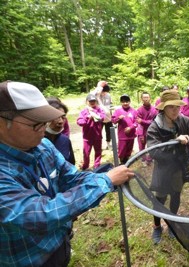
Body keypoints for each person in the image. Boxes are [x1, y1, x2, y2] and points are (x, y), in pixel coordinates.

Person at [0, 81, 134, 267]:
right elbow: (40, 215)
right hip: (27, 258)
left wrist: (107, 176)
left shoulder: (43, 146)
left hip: (59, 243)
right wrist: (105, 181)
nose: (44, 128)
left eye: (44, 120)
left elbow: (71, 177)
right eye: (35, 123)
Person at [147, 90, 189, 244]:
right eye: (171, 107)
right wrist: (175, 141)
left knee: (176, 195)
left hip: (178, 167)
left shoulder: (184, 120)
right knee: (160, 199)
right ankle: (157, 226)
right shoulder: (154, 127)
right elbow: (154, 151)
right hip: (163, 169)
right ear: (163, 108)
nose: (176, 110)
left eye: (177, 107)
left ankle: (171, 223)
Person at [76, 93, 105, 170]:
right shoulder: (83, 111)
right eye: (90, 101)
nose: (92, 102)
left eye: (94, 101)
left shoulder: (99, 110)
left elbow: (102, 117)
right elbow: (80, 122)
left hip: (98, 136)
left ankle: (97, 166)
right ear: (87, 102)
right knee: (86, 153)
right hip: (87, 137)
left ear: (96, 101)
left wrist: (94, 114)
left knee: (98, 152)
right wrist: (87, 118)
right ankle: (85, 167)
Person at [45, 98, 75, 165]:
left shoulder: (65, 140)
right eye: (56, 117)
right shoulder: (35, 142)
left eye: (63, 117)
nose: (61, 121)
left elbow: (71, 165)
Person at [111, 94, 138, 164]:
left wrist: (131, 127)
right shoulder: (118, 111)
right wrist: (118, 118)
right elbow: (113, 121)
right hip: (122, 135)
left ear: (129, 102)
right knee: (122, 149)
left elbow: (137, 122)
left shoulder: (134, 111)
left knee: (129, 149)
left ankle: (127, 161)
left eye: (127, 101)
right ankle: (121, 161)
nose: (125, 103)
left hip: (131, 135)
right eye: (123, 102)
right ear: (121, 102)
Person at [136, 92, 158, 164]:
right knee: (141, 146)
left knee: (151, 145)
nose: (146, 99)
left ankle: (150, 159)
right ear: (141, 99)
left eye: (147, 97)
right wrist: (141, 134)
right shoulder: (139, 110)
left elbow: (154, 122)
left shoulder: (154, 110)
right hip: (142, 131)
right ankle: (143, 159)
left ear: (150, 98)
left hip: (151, 131)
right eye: (144, 97)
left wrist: (143, 121)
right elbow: (139, 123)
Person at [94, 81, 113, 149]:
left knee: (109, 131)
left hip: (108, 117)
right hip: (100, 117)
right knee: (98, 132)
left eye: (106, 92)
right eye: (103, 92)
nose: (104, 94)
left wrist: (110, 108)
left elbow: (110, 104)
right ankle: (99, 145)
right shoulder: (95, 96)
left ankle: (109, 144)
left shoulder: (108, 95)